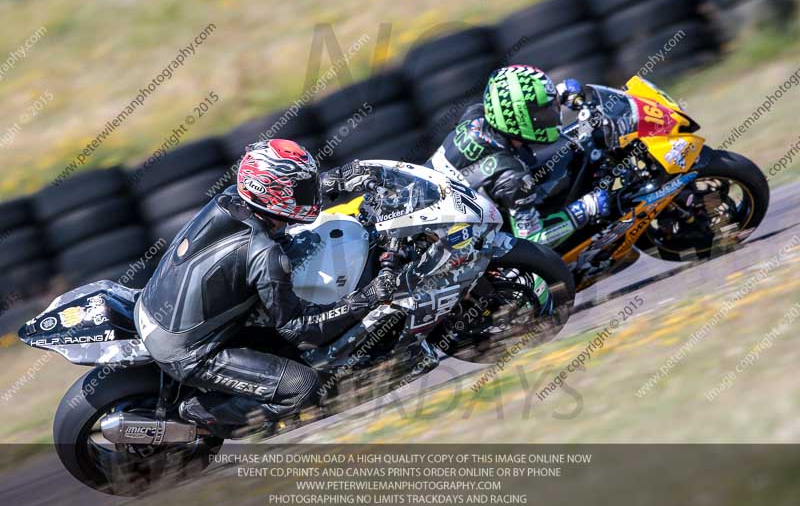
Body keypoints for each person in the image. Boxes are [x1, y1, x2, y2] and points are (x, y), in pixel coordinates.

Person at [135, 139, 396, 437]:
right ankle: (199, 417)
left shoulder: (231, 199)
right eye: (302, 188)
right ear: (271, 192)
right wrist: (366, 298)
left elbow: (284, 195)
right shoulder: (265, 255)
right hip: (188, 351)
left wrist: (336, 180)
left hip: (158, 308)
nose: (309, 193)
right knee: (304, 386)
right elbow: (300, 329)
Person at [429, 64, 610, 247]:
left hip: (432, 201)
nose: (553, 114)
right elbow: (534, 240)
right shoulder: (512, 176)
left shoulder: (475, 115)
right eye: (544, 111)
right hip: (457, 243)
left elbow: (513, 103)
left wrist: (559, 93)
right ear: (522, 119)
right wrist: (585, 209)